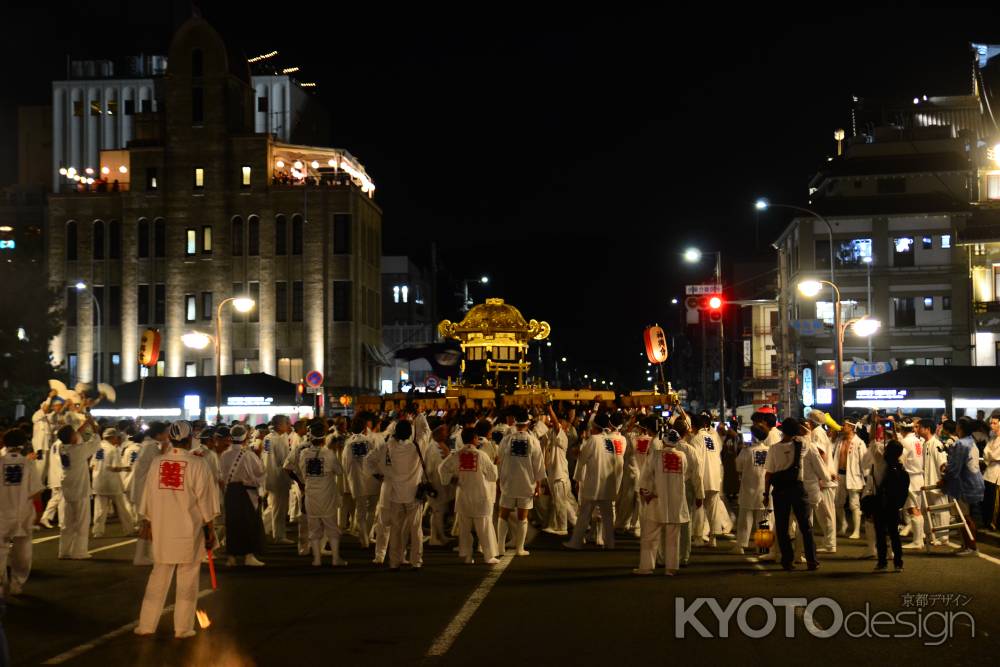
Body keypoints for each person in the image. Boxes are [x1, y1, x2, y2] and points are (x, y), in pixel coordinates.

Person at [134, 421, 219, 639]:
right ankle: (182, 628)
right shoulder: (198, 464)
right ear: (190, 438)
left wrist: (148, 522)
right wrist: (210, 529)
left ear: (170, 438)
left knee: (158, 578)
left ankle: (146, 625)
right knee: (187, 581)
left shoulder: (157, 463)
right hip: (188, 531)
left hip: (163, 531)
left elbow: (148, 497)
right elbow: (206, 502)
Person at [763, 418, 826, 571]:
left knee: (783, 527)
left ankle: (787, 561)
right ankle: (812, 560)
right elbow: (807, 436)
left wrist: (766, 494)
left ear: (782, 430)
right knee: (805, 526)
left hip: (780, 491)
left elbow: (769, 474)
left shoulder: (773, 449)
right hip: (798, 488)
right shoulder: (803, 445)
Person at [635, 429, 699, 575]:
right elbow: (685, 474)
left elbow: (645, 476)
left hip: (657, 499)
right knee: (673, 537)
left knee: (650, 536)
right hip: (676, 501)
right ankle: (671, 568)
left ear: (663, 441)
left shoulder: (656, 456)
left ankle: (646, 567)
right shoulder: (682, 456)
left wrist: (645, 492)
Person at [438, 426, 500, 564]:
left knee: (465, 530)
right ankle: (488, 556)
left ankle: (467, 556)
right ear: (474, 439)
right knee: (484, 528)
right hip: (480, 496)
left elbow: (442, 468)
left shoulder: (456, 455)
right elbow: (493, 476)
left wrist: (450, 479)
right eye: (477, 437)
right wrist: (495, 464)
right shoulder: (481, 455)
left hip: (463, 497)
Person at [375, 420, 430, 570]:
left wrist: (379, 475)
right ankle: (416, 561)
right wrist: (419, 415)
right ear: (410, 433)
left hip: (395, 495)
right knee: (415, 529)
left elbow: (372, 461)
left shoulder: (388, 447)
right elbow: (426, 431)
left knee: (396, 530)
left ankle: (394, 561)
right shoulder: (417, 447)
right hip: (413, 494)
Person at [564, 413, 624, 551]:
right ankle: (610, 543)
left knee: (584, 515)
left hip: (593, 483)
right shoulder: (610, 441)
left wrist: (578, 478)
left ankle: (576, 542)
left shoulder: (594, 440)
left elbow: (582, 459)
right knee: (608, 517)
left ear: (595, 425)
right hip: (607, 485)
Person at [496, 407, 545, 556]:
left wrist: (499, 481)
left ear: (515, 423)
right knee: (522, 517)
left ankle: (500, 548)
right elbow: (539, 466)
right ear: (528, 422)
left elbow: (499, 461)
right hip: (526, 483)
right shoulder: (533, 441)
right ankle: (519, 548)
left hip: (508, 482)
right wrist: (538, 485)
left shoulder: (506, 439)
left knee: (503, 515)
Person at [298, 421, 348, 566]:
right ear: (324, 438)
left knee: (314, 529)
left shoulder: (303, 454)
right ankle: (335, 559)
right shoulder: (329, 454)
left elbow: (302, 474)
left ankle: (317, 559)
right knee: (332, 527)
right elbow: (339, 471)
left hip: (311, 496)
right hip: (327, 496)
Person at [0, 429, 43, 595]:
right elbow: (36, 492)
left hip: (2, 513)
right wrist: (38, 513)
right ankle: (17, 584)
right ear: (23, 444)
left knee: (1, 550)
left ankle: (1, 586)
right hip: (23, 513)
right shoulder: (28, 463)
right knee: (22, 551)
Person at [53, 414, 101, 559]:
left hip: (68, 488)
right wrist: (92, 425)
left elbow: (75, 436)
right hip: (80, 489)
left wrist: (84, 424)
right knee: (81, 521)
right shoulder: (79, 450)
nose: (77, 433)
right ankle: (79, 552)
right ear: (72, 437)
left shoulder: (62, 447)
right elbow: (96, 440)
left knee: (67, 523)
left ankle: (64, 551)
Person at [219, 424, 266, 567]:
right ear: (245, 438)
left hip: (230, 491)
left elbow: (220, 475)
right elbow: (260, 473)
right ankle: (248, 556)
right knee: (248, 524)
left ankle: (231, 557)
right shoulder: (248, 455)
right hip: (246, 492)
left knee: (232, 524)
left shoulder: (224, 454)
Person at [940, 417, 985, 555]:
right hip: (974, 482)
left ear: (960, 428)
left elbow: (954, 468)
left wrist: (944, 478)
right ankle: (966, 545)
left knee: (964, 517)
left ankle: (971, 546)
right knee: (965, 516)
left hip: (964, 484)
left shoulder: (961, 444)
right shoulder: (971, 441)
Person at [129, 422, 171, 565]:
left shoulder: (147, 446)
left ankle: (142, 556)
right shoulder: (151, 447)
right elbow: (160, 465)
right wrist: (165, 449)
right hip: (145, 492)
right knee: (150, 524)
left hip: (143, 491)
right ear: (158, 434)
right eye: (166, 433)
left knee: (147, 524)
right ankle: (147, 556)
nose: (167, 435)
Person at [342, 413, 381, 548]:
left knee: (361, 511)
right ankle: (368, 536)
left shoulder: (348, 443)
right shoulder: (370, 441)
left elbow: (345, 464)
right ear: (365, 428)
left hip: (357, 481)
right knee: (372, 510)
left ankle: (364, 538)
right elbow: (377, 460)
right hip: (373, 480)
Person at [873, 440, 909, 573]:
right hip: (893, 506)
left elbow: (873, 445)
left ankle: (882, 562)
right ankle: (898, 563)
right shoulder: (901, 469)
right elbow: (904, 491)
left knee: (880, 534)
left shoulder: (880, 465)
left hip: (880, 504)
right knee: (894, 534)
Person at [733, 425, 770, 555]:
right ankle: (763, 546)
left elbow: (738, 467)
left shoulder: (746, 451)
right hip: (765, 489)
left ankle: (741, 545)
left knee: (744, 519)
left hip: (748, 488)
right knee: (764, 519)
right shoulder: (769, 450)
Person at [91, 428, 134, 538]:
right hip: (112, 483)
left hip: (98, 482)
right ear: (112, 437)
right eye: (116, 437)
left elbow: (92, 465)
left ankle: (97, 531)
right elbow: (115, 467)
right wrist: (126, 468)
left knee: (100, 509)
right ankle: (129, 529)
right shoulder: (112, 450)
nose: (117, 439)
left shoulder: (97, 447)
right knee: (122, 508)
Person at [914, 418, 949, 546]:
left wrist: (943, 479)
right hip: (927, 482)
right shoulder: (925, 443)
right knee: (929, 510)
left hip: (937, 481)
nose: (917, 430)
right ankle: (932, 535)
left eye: (920, 427)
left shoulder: (937, 444)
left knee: (941, 509)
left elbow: (943, 463)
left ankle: (943, 536)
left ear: (927, 429)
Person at [832, 420, 867, 539]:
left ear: (852, 427)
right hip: (839, 475)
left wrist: (866, 479)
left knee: (854, 504)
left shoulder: (859, 443)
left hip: (854, 476)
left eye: (845, 425)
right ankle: (843, 525)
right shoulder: (839, 441)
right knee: (837, 503)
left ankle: (856, 531)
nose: (842, 427)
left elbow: (864, 461)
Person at [261, 416, 293, 544]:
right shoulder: (278, 439)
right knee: (279, 509)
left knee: (272, 507)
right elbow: (284, 461)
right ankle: (279, 536)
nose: (289, 425)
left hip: (269, 477)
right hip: (279, 477)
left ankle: (260, 530)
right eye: (287, 423)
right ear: (280, 425)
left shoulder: (268, 438)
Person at [983, 409, 1000, 531]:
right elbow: (985, 453)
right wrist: (990, 454)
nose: (991, 425)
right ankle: (988, 521)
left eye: (994, 423)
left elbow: (994, 455)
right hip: (989, 472)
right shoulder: (992, 437)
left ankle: (994, 523)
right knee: (988, 499)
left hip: (997, 472)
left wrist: (989, 454)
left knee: (995, 501)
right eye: (991, 423)